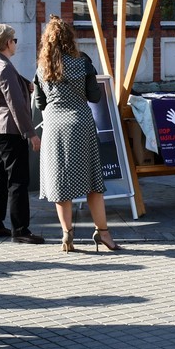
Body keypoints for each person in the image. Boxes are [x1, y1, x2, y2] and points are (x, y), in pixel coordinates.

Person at [35, 14, 123, 252]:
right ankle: (103, 234)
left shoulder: (43, 67)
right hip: (81, 123)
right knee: (93, 182)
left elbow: (39, 103)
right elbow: (94, 96)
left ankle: (67, 235)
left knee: (61, 183)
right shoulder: (83, 61)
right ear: (69, 38)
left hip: (54, 126)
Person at [0, 23, 43, 243]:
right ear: (7, 42)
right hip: (10, 130)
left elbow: (8, 88)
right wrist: (31, 133)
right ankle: (21, 229)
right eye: (14, 40)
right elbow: (15, 104)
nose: (16, 44)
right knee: (18, 180)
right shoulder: (5, 67)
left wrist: (25, 84)